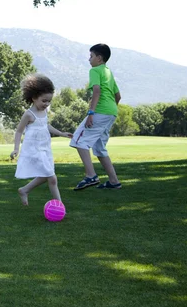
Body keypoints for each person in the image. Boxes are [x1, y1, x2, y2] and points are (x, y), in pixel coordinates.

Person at [11, 74, 73, 206]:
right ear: (34, 98)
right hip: (34, 150)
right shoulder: (29, 114)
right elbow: (19, 131)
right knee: (52, 177)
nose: (47, 104)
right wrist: (16, 148)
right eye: (44, 101)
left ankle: (24, 190)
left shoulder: (44, 112)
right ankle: (60, 206)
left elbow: (46, 126)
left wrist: (61, 133)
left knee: (47, 175)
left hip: (45, 149)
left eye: (49, 101)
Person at [70, 43, 122, 190]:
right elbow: (118, 96)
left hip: (100, 112)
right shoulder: (108, 72)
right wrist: (110, 111)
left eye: (91, 56)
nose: (89, 59)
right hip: (111, 112)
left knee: (78, 140)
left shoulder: (95, 70)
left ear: (99, 58)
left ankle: (90, 175)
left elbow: (97, 91)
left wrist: (91, 113)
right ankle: (114, 181)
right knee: (99, 148)